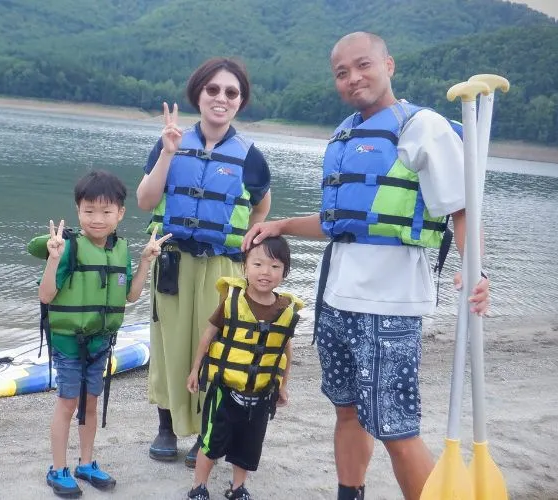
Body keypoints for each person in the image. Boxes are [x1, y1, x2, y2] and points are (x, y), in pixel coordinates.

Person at [242, 32, 492, 500]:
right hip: (336, 301)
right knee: (348, 411)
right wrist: (281, 225)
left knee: (396, 428)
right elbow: (340, 222)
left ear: (388, 65)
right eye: (342, 72)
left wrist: (475, 268)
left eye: (363, 65)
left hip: (389, 306)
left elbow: (463, 209)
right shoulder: (346, 134)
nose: (353, 78)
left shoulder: (422, 126)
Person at [135, 57, 273, 468]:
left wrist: (246, 244)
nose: (221, 98)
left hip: (221, 266)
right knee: (168, 344)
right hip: (173, 261)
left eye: (231, 92)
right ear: (198, 93)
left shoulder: (250, 157)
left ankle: (206, 433)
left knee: (215, 347)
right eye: (213, 89)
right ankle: (166, 426)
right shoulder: (169, 142)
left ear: (240, 101)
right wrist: (168, 153)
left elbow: (261, 207)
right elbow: (144, 200)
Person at [26, 170, 172, 498]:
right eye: (89, 210)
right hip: (68, 343)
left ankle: (86, 463)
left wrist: (146, 261)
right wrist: (53, 259)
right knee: (67, 403)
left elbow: (130, 295)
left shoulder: (119, 250)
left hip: (100, 341)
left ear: (120, 213)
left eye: (106, 211)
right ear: (78, 210)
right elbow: (46, 296)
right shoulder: (68, 248)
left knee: (90, 403)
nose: (97, 219)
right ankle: (58, 468)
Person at [185, 236, 302, 500]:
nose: (265, 272)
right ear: (244, 267)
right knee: (211, 441)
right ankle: (198, 486)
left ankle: (237, 488)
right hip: (225, 390)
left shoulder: (285, 310)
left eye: (275, 266)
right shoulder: (231, 302)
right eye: (258, 264)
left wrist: (283, 386)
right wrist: (195, 370)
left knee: (249, 446)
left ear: (285, 271)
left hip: (262, 393)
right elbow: (208, 336)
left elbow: (285, 350)